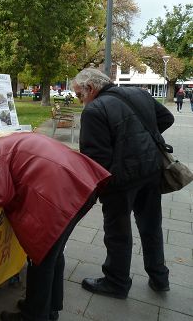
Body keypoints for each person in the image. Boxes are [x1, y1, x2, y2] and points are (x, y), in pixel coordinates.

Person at [0, 129, 111, 321]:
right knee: (54, 253)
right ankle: (48, 307)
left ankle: (34, 315)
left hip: (60, 196)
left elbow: (0, 195)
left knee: (42, 256)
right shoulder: (20, 138)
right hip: (81, 185)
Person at [72, 68, 174, 299]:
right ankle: (159, 277)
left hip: (120, 181)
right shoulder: (140, 94)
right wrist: (140, 141)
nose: (80, 101)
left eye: (79, 95)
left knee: (118, 232)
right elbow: (166, 118)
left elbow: (94, 158)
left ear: (91, 88)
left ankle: (116, 282)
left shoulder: (94, 110)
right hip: (150, 170)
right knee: (151, 226)